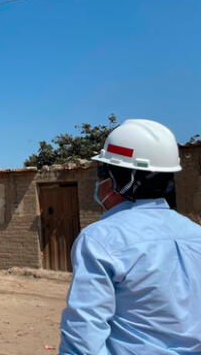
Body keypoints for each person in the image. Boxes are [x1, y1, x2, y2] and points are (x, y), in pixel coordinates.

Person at [60, 119, 201, 354]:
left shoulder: (100, 239)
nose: (99, 182)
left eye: (102, 173)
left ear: (121, 181)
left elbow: (84, 332)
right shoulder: (195, 234)